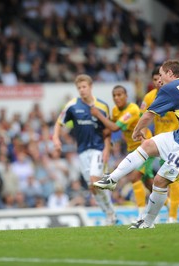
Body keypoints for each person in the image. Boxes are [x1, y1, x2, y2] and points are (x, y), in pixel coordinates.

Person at [94, 60, 179, 229]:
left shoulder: (170, 88)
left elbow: (147, 116)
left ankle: (148, 222)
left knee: (160, 181)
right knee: (147, 146)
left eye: (161, 75)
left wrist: (137, 130)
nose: (159, 80)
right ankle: (112, 179)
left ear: (170, 73)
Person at [53, 74, 116, 225]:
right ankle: (109, 214)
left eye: (84, 87)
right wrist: (55, 138)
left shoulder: (102, 106)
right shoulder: (72, 105)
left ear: (90, 87)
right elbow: (59, 122)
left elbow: (108, 130)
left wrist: (107, 148)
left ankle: (110, 214)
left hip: (98, 149)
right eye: (79, 88)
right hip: (82, 151)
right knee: (92, 187)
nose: (82, 90)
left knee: (95, 180)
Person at [139, 66, 179, 224]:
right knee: (147, 177)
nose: (158, 81)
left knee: (172, 179)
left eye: (160, 77)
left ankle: (172, 217)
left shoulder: (176, 95)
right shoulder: (149, 98)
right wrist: (144, 134)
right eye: (155, 79)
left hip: (176, 142)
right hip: (159, 142)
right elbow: (142, 117)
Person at [90, 85, 150, 221]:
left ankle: (141, 217)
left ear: (126, 96)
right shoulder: (115, 110)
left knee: (135, 177)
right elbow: (108, 128)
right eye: (114, 96)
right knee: (151, 184)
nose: (117, 98)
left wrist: (98, 114)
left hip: (145, 145)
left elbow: (115, 127)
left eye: (120, 95)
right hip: (132, 148)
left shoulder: (132, 109)